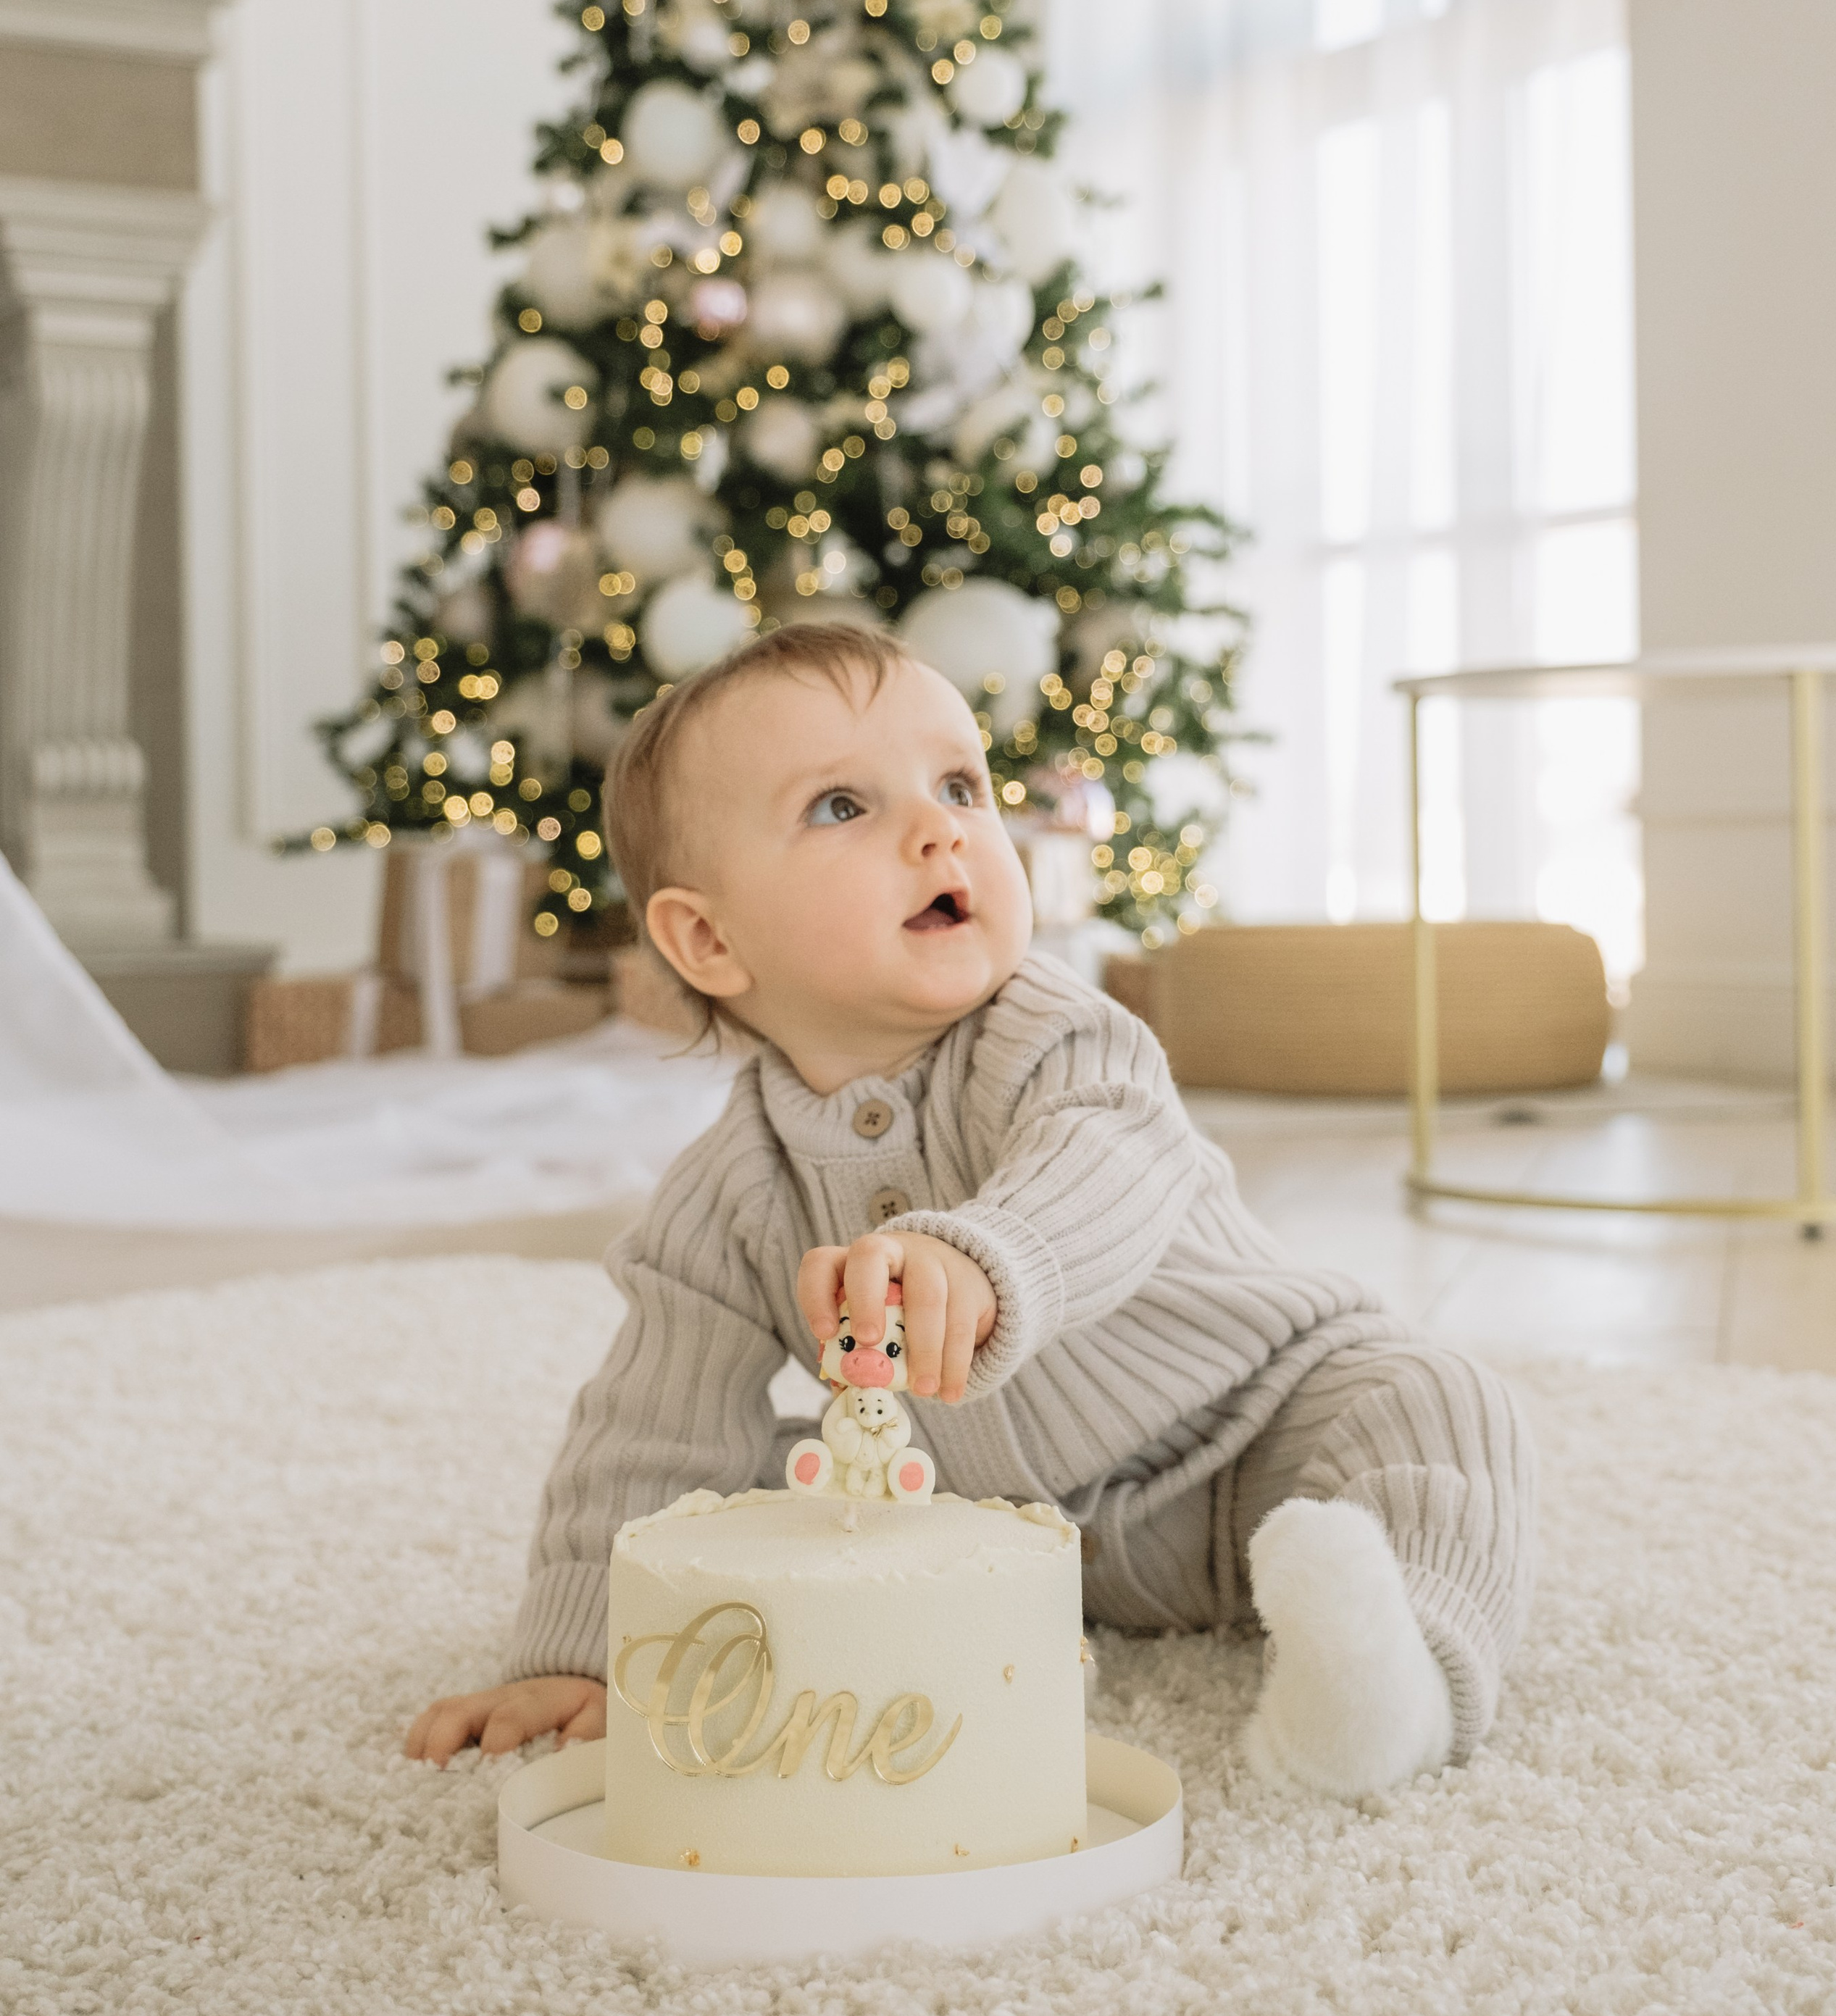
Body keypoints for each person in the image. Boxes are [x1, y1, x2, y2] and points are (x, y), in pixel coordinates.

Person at [406, 622, 1534, 1795]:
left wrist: (987, 1260)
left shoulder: (1060, 1036)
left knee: (1437, 1401)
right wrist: (583, 1649)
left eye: (959, 786)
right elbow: (651, 1428)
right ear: (709, 938)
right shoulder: (726, 1196)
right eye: (843, 806)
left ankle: (1395, 1681)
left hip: (1257, 1428)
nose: (940, 829)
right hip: (994, 1529)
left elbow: (1112, 1160)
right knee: (748, 1491)